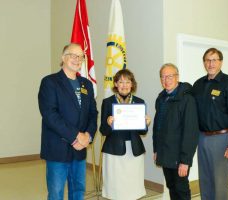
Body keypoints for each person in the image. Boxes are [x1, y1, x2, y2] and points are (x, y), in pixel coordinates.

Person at [38, 43, 98, 200]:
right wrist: (76, 136)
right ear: (63, 58)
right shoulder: (50, 82)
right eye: (73, 55)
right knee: (56, 193)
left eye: (81, 57)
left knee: (78, 191)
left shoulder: (87, 85)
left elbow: (93, 113)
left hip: (80, 150)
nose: (77, 59)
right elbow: (50, 115)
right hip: (58, 149)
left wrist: (88, 136)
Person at [192, 48, 228, 200]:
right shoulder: (198, 85)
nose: (211, 63)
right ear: (204, 63)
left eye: (214, 60)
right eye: (208, 60)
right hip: (202, 138)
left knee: (220, 181)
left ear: (221, 62)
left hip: (222, 139)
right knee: (205, 179)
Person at [100, 69, 151, 200]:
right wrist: (108, 123)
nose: (124, 85)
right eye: (121, 82)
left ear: (132, 84)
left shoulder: (139, 101)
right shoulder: (107, 102)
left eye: (127, 82)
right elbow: (103, 130)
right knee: (115, 187)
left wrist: (146, 123)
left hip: (134, 150)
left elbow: (142, 131)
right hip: (114, 150)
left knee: (133, 186)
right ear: (116, 84)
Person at [153, 63, 199, 200]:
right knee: (171, 187)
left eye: (170, 76)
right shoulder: (161, 98)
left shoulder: (187, 99)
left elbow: (191, 132)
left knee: (181, 189)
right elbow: (158, 127)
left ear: (177, 77)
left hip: (179, 156)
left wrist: (185, 161)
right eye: (163, 77)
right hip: (165, 152)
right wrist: (157, 150)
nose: (166, 80)